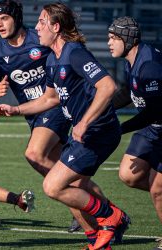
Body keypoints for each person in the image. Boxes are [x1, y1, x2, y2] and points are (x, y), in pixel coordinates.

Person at [0, 3, 130, 249]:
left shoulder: (74, 53)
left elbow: (108, 86)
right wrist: (15, 109)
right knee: (72, 187)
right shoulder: (53, 60)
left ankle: (111, 216)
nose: (36, 27)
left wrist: (84, 123)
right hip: (87, 134)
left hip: (99, 131)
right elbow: (49, 99)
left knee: (53, 186)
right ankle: (98, 240)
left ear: (56, 27)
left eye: (42, 22)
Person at [108, 16, 162, 250]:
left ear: (127, 39)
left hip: (157, 124)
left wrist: (119, 129)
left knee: (157, 187)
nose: (108, 42)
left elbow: (152, 112)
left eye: (113, 38)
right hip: (155, 128)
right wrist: (102, 108)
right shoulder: (132, 59)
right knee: (128, 175)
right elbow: (129, 92)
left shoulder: (150, 65)